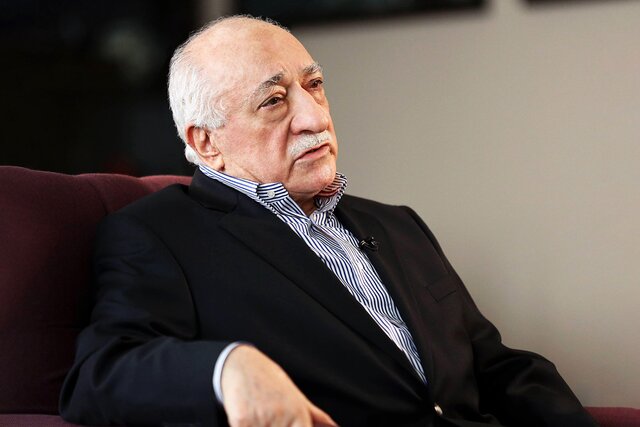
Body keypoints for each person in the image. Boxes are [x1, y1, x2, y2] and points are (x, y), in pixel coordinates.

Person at [59, 15, 598, 427]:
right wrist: (228, 369)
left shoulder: (398, 225)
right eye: (274, 100)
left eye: (314, 85)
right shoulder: (159, 235)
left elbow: (496, 366)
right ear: (207, 143)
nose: (314, 117)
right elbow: (101, 372)